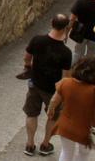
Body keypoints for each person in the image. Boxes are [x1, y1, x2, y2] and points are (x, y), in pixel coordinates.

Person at [21, 14, 73, 156]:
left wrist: (28, 67)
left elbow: (27, 57)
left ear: (51, 22)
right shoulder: (66, 53)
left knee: (31, 114)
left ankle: (30, 144)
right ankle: (45, 144)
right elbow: (65, 77)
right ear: (66, 28)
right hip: (53, 90)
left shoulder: (37, 40)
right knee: (53, 117)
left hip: (35, 84)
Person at [46, 57, 95, 161]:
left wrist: (50, 110)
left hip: (66, 125)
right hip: (86, 129)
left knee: (66, 152)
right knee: (83, 154)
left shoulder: (65, 82)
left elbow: (54, 100)